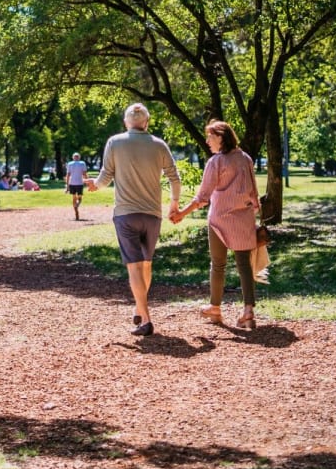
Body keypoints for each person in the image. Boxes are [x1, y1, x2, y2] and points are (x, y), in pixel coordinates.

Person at [87, 102, 181, 336]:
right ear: (146, 122)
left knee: (134, 268)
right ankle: (140, 307)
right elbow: (174, 178)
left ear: (126, 122)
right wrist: (174, 205)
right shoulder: (159, 145)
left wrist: (94, 186)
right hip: (152, 214)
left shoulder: (115, 142)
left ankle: (146, 319)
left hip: (125, 214)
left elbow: (106, 176)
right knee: (146, 264)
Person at [171, 120, 261, 329]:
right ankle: (248, 311)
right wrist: (252, 213)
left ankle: (215, 308)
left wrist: (182, 213)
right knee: (244, 266)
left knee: (218, 265)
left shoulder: (216, 162)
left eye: (210, 136)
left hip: (219, 220)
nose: (207, 140)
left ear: (221, 137)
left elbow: (203, 196)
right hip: (244, 219)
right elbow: (254, 194)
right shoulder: (246, 159)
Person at [65, 152, 88, 220]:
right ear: (79, 157)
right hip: (79, 183)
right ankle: (77, 206)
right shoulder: (82, 163)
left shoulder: (69, 164)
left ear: (73, 157)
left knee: (74, 197)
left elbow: (68, 175)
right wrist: (87, 181)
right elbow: (84, 173)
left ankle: (76, 211)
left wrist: (67, 185)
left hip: (72, 183)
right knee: (80, 198)